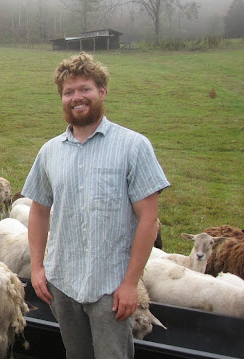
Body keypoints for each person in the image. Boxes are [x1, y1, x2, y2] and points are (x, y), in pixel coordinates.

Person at [21, 52, 169, 358]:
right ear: (61, 98)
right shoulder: (49, 152)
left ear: (102, 92)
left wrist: (129, 284)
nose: (77, 97)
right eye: (69, 92)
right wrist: (37, 267)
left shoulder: (133, 146)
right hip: (62, 285)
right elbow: (38, 210)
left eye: (85, 89)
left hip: (111, 289)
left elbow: (148, 220)